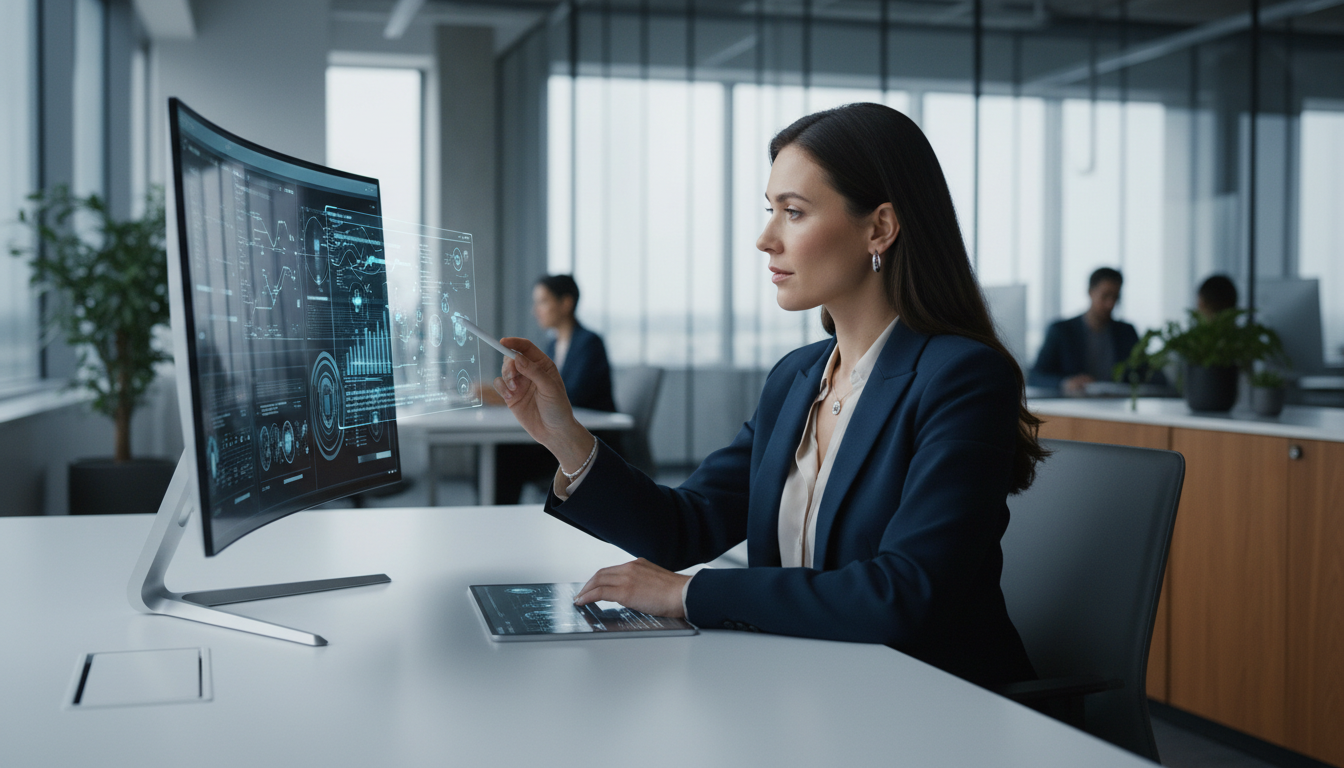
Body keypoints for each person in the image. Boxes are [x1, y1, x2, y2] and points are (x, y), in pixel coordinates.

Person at [490, 103, 1042, 688]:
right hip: (804, 685)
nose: (764, 239)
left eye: (794, 213)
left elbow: (903, 593)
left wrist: (689, 593)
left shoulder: (961, 378)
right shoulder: (796, 379)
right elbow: (687, 526)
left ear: (879, 227)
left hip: (930, 701)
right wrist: (566, 439)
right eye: (770, 210)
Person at [493, 274, 615, 504]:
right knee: (501, 452)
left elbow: (572, 396)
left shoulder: (589, 343)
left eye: (543, 301)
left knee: (507, 456)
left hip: (589, 439)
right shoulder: (552, 344)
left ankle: (498, 518)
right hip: (563, 432)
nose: (535, 310)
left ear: (566, 303)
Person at [1029, 267, 1161, 395]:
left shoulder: (1126, 332)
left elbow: (1148, 373)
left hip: (1118, 404)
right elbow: (1035, 376)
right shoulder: (1062, 331)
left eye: (1115, 297)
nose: (1110, 304)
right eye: (1105, 296)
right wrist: (1065, 383)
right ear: (1090, 292)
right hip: (1074, 407)